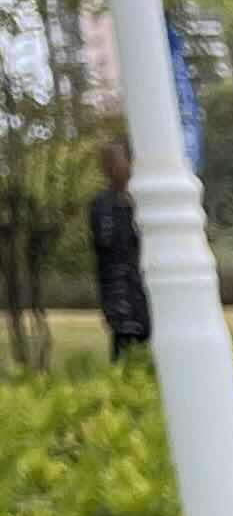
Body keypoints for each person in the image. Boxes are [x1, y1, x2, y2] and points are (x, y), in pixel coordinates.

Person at [88, 140, 149, 362]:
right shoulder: (100, 205)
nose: (111, 166)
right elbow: (105, 244)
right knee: (123, 346)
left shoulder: (144, 201)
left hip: (145, 286)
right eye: (107, 161)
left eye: (115, 159)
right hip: (118, 292)